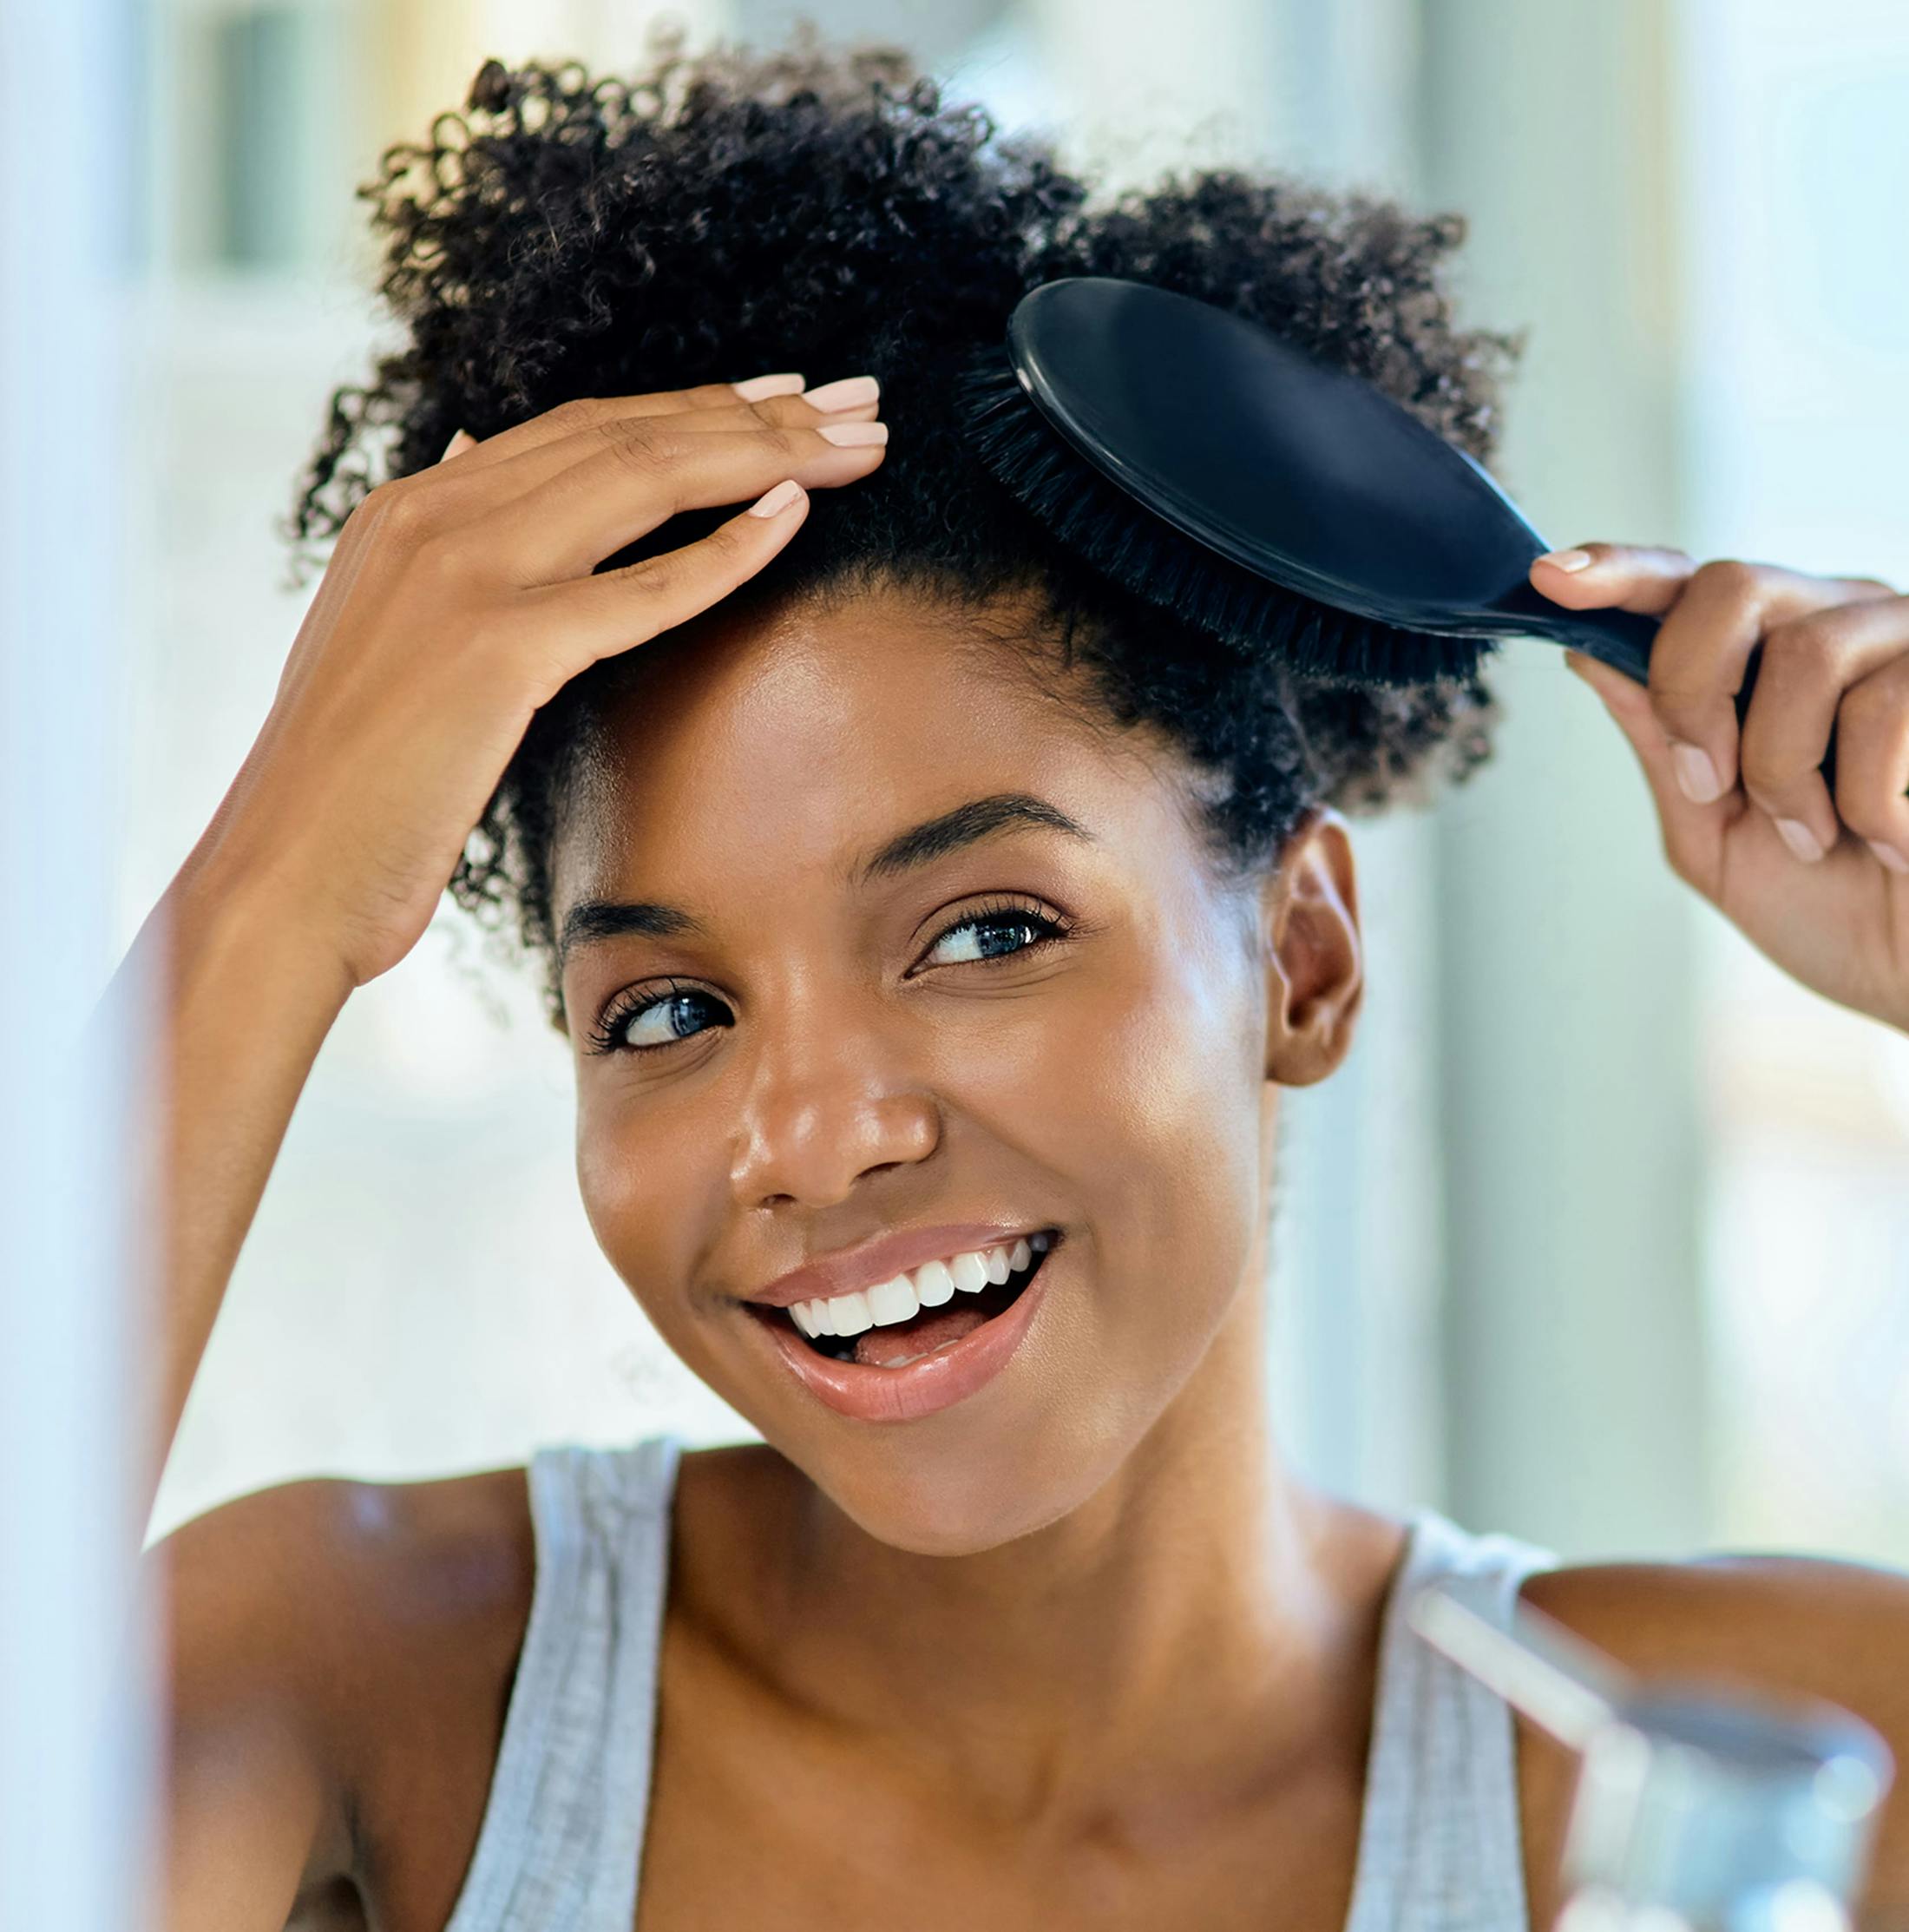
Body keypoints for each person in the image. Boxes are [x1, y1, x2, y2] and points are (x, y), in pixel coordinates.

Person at [118, 35, 1909, 1932]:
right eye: (666, 1013)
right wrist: (264, 898)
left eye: (987, 933)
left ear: (1298, 960)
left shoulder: (1761, 1780)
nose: (813, 1139)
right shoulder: (353, 1701)